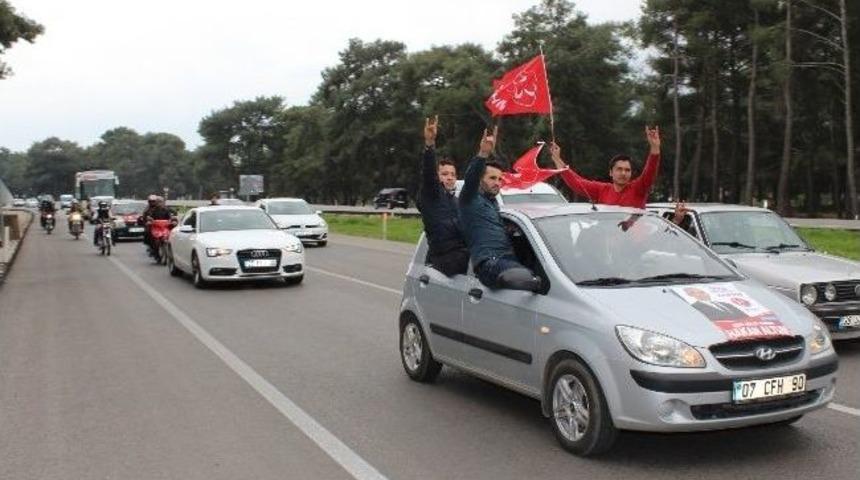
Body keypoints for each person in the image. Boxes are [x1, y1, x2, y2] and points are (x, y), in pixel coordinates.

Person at [458, 127, 542, 291]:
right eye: (492, 178)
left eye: (500, 179)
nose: (497, 182)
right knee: (532, 282)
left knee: (543, 275)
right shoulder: (469, 199)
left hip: (508, 260)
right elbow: (471, 179)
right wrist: (483, 153)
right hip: (490, 263)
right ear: (481, 180)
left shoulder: (495, 204)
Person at [550, 126, 662, 208]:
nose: (623, 173)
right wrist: (557, 159)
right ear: (611, 173)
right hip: (607, 238)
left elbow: (650, 172)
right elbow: (578, 183)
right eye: (619, 169)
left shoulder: (638, 189)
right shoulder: (602, 189)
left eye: (627, 170)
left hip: (633, 240)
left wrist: (655, 148)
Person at [417, 115, 469, 276]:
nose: (450, 177)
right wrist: (429, 145)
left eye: (453, 174)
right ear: (437, 176)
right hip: (443, 261)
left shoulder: (457, 202)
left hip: (460, 256)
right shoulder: (431, 195)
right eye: (445, 174)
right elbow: (429, 174)